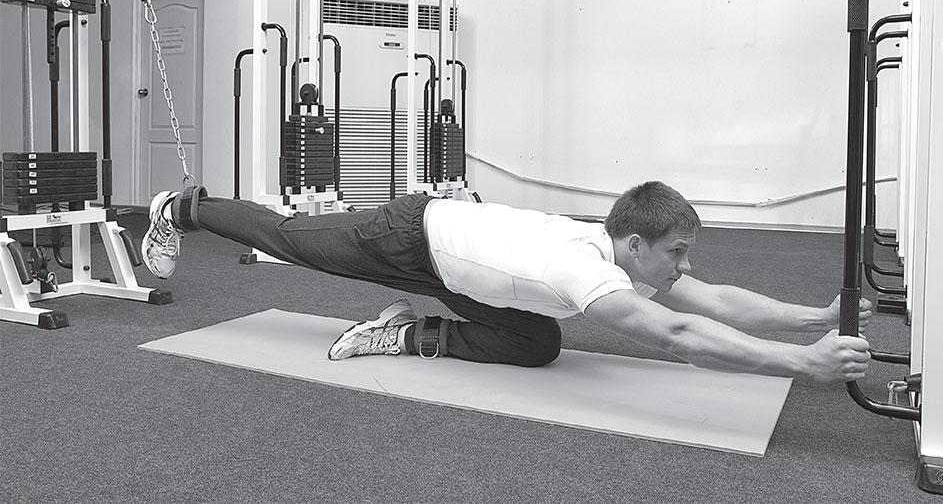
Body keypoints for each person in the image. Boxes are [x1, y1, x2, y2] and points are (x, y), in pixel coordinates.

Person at [141, 181, 872, 383]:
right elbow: (679, 332)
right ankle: (184, 208)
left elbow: (711, 301)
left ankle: (405, 333)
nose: (684, 269)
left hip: (466, 278)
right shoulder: (581, 267)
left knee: (536, 345)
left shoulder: (620, 255)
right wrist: (802, 364)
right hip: (411, 238)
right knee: (289, 240)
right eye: (676, 253)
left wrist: (814, 317)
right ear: (636, 243)